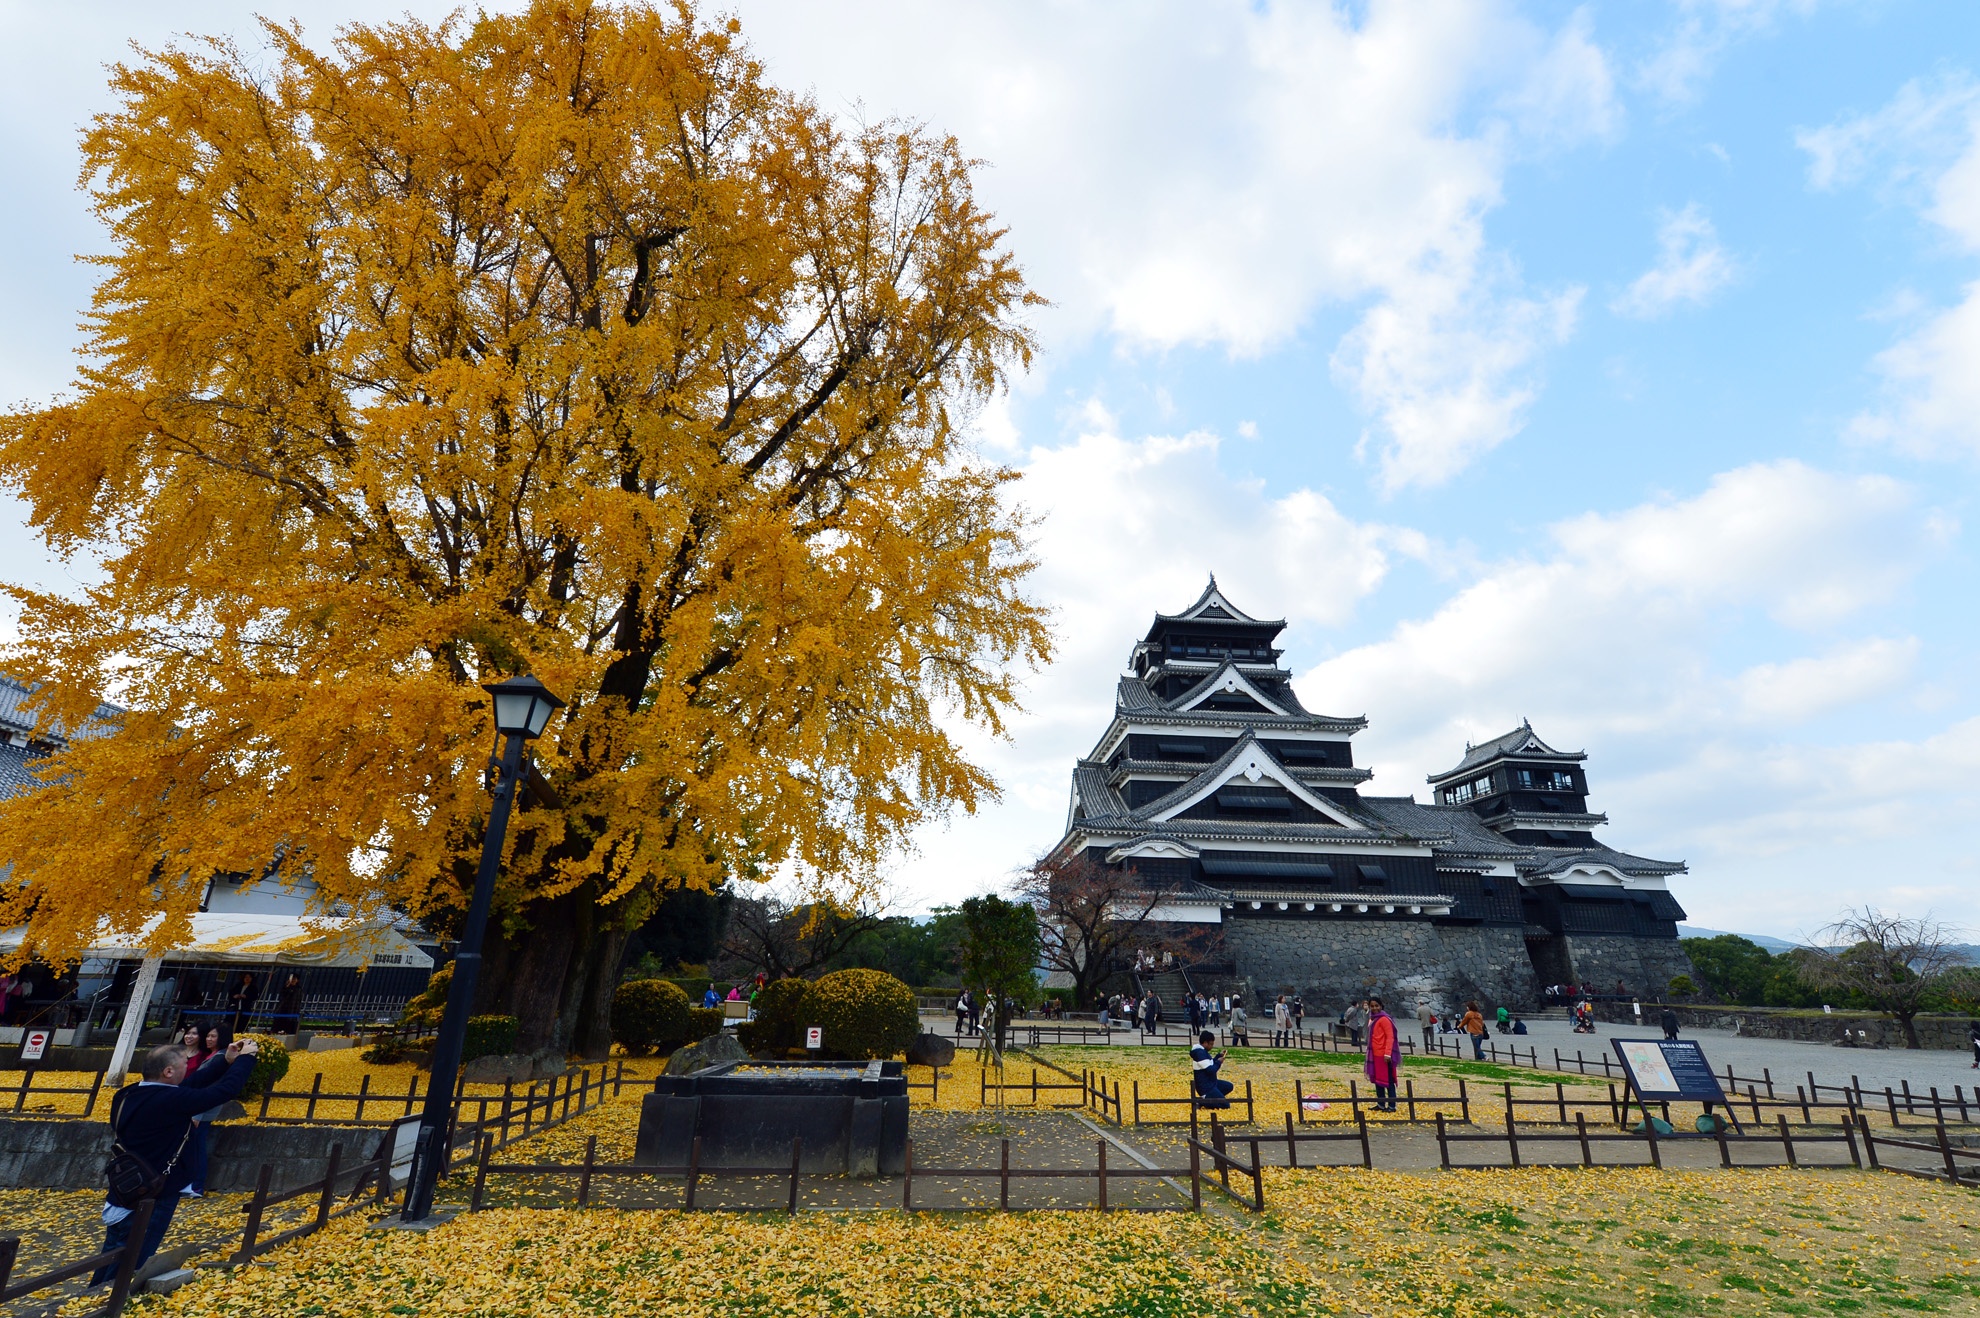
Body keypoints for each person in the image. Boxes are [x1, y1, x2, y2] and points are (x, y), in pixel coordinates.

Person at [91, 1037, 259, 1283]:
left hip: (125, 1187)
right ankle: (107, 1303)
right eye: (185, 1063)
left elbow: (188, 1085)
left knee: (113, 1251)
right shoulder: (171, 1102)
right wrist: (246, 1059)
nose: (188, 1067)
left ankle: (91, 1297)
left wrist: (224, 1061)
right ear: (168, 1071)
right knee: (132, 1259)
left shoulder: (128, 1094)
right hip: (155, 1192)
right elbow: (224, 1091)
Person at [179, 1025, 229, 1198]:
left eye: (213, 1036)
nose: (208, 1039)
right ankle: (189, 1183)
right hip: (197, 1107)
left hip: (203, 1110)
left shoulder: (220, 1058)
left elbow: (208, 1086)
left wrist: (197, 1113)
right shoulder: (211, 1056)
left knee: (197, 1146)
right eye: (207, 1036)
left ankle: (196, 1185)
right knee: (192, 1146)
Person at [1363, 997, 1400, 1112]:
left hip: (1384, 1055)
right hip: (1375, 1054)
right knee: (1378, 1080)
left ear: (1381, 1006)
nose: (1374, 1008)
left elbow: (1390, 1037)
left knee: (1388, 1081)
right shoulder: (1373, 1019)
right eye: (1372, 1006)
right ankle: (1381, 1104)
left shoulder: (1384, 1019)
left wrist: (1388, 1053)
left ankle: (1392, 1106)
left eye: (1376, 1006)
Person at [1189, 1030, 1234, 1109]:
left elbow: (1209, 1064)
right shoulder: (1200, 1053)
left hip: (1211, 1083)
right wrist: (1218, 1063)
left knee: (1229, 1086)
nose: (1212, 1046)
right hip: (1206, 1088)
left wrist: (1218, 1056)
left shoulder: (1203, 1052)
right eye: (1211, 1044)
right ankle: (1203, 1101)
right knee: (1226, 1105)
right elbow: (1211, 1070)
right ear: (1205, 1043)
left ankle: (1213, 1098)